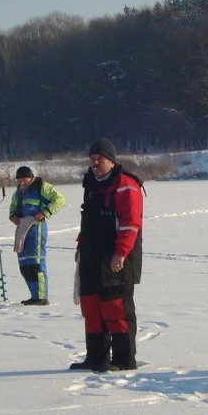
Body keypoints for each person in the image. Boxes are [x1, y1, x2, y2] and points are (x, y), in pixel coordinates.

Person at [70, 138, 144, 372]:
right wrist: (81, 247)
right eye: (91, 160)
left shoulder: (126, 185)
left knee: (116, 310)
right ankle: (96, 357)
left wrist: (120, 253)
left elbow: (130, 224)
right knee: (92, 309)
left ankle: (123, 360)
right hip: (91, 256)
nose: (94, 164)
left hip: (115, 259)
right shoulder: (91, 183)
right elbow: (89, 221)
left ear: (111, 161)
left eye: (98, 159)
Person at [9, 165, 66, 306]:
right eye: (19, 179)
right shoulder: (18, 193)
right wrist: (13, 216)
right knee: (25, 264)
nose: (22, 181)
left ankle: (41, 297)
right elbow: (12, 207)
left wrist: (45, 212)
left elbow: (59, 200)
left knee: (36, 263)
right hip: (22, 230)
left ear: (30, 177)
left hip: (36, 229)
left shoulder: (42, 187)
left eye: (24, 178)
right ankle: (34, 295)